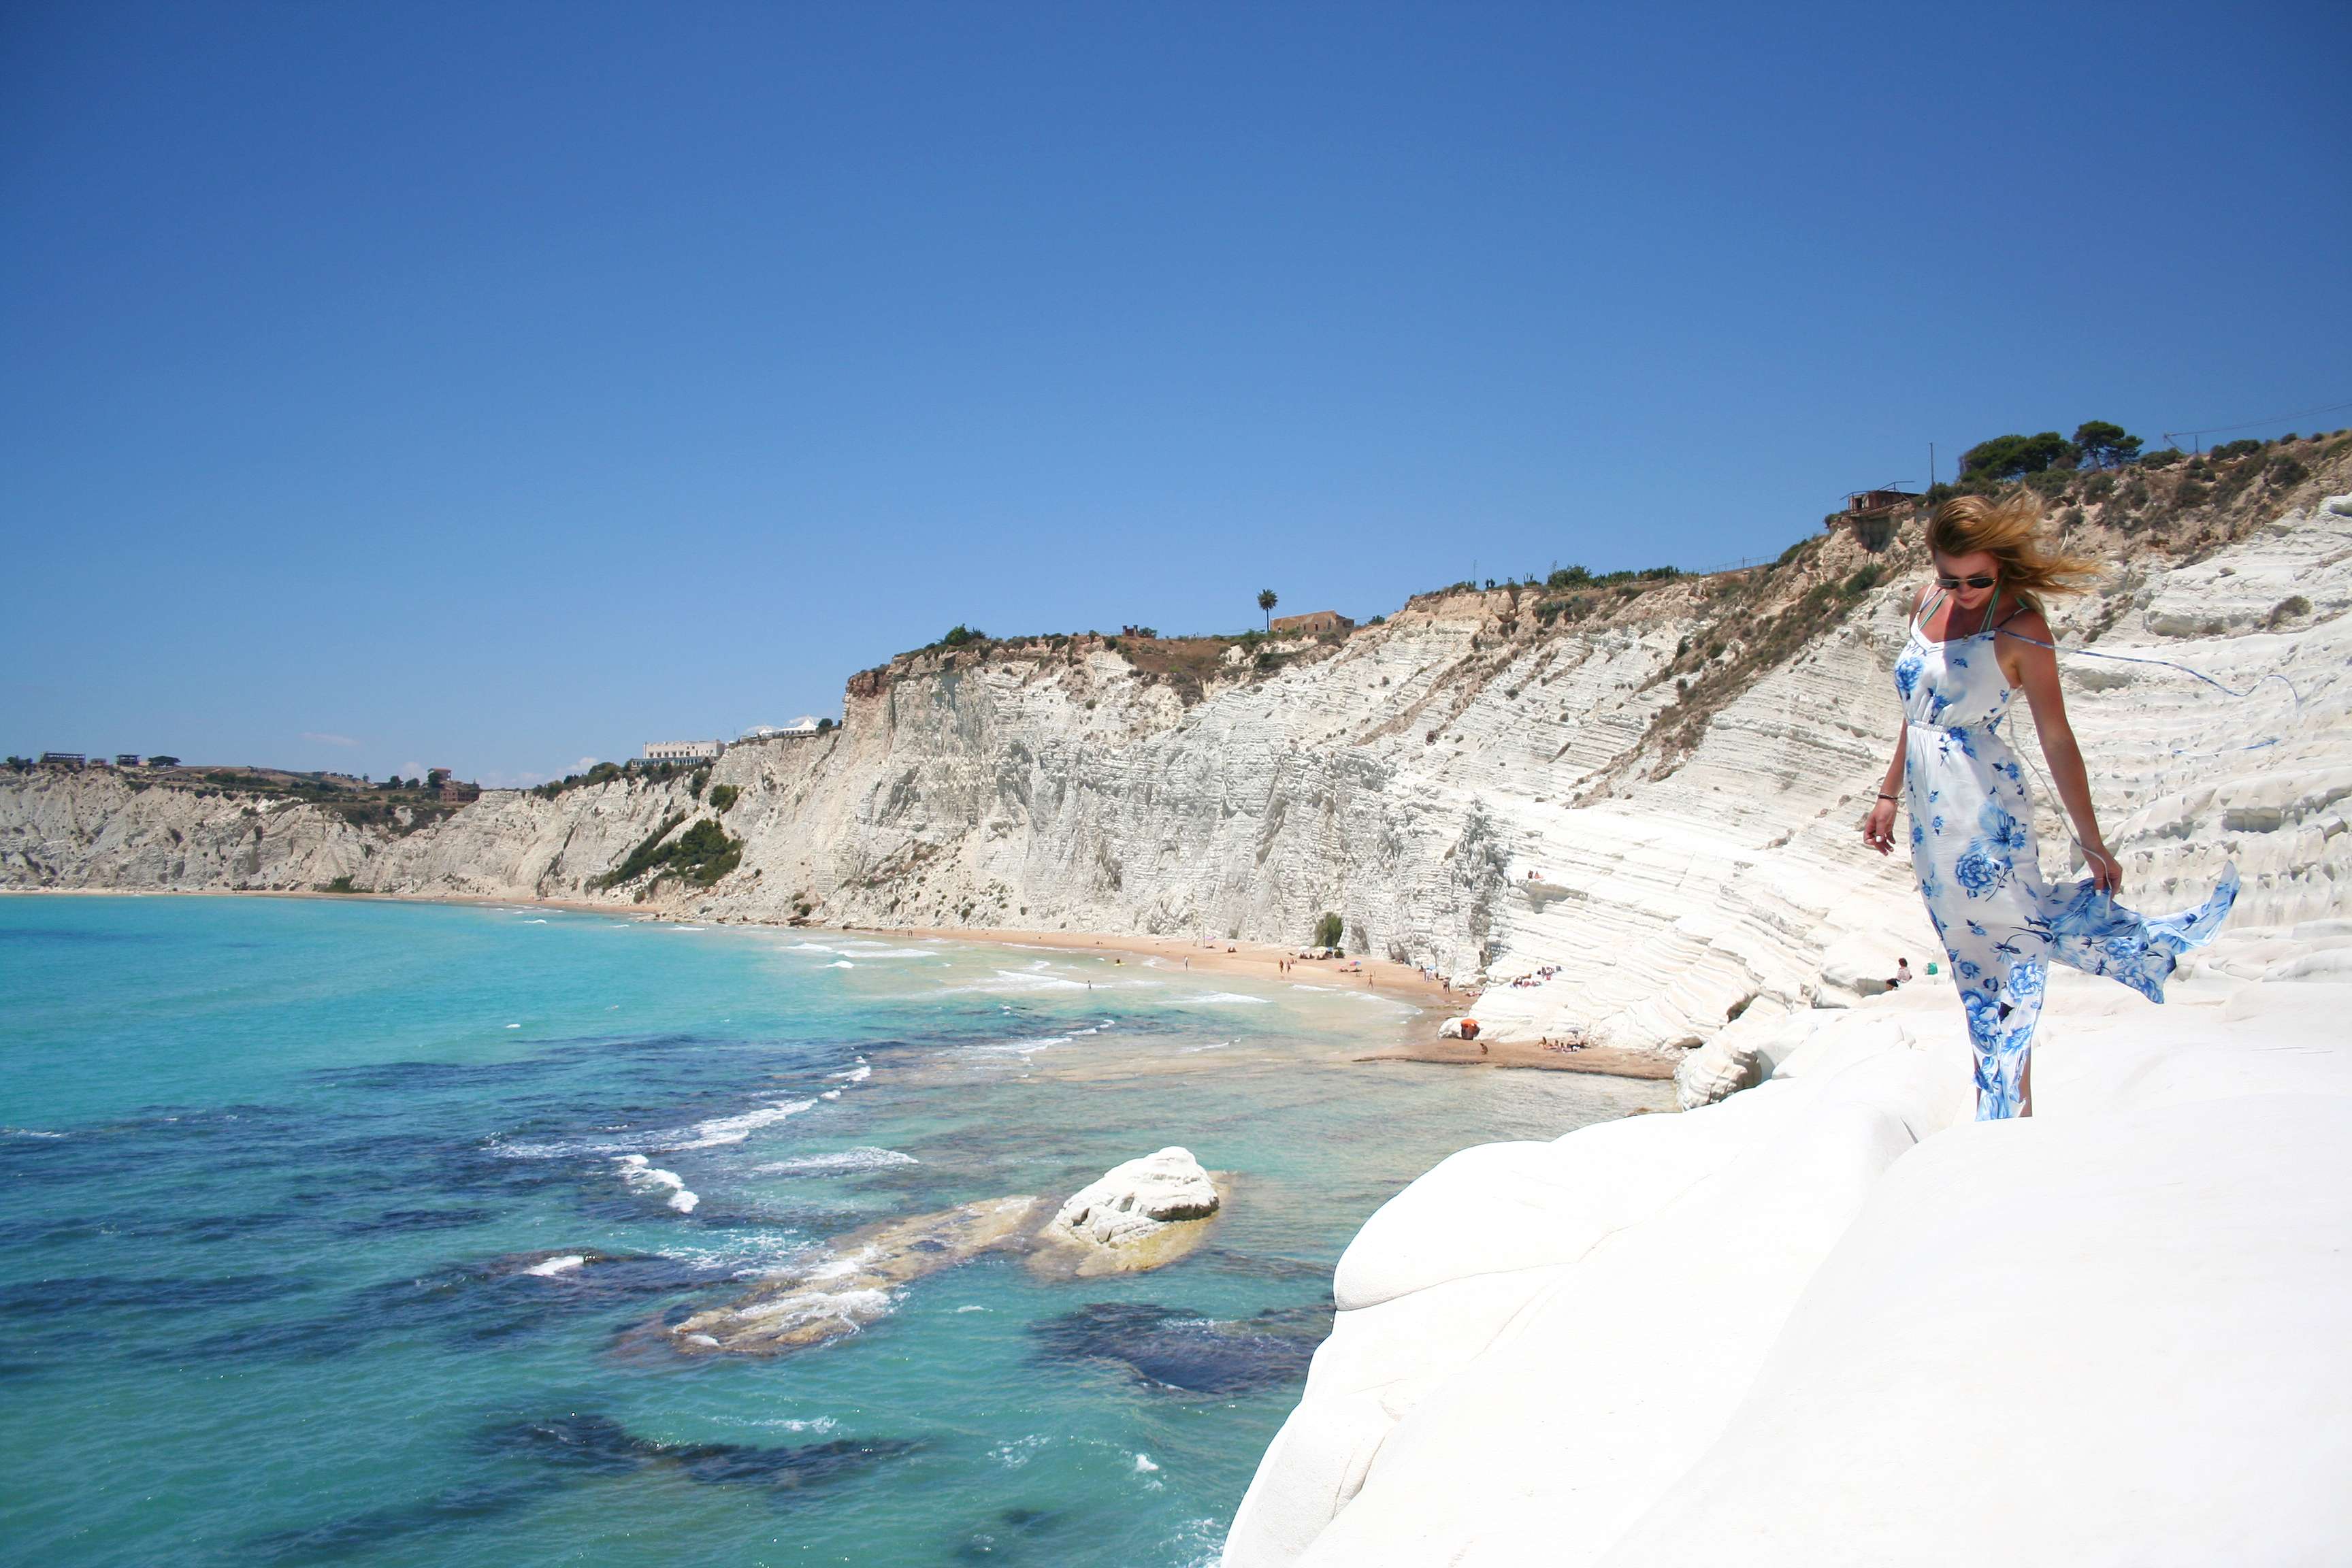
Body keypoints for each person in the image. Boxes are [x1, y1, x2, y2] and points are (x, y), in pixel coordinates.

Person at [1860, 492, 2237, 1120]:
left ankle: (2009, 1108)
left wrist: (2092, 840)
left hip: (1982, 805)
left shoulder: (2022, 628)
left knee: (2002, 948)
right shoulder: (1927, 604)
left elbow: (2056, 737)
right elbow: (1916, 713)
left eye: (1979, 578)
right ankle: (2132, 952)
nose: (1965, 590)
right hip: (1932, 815)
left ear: (2002, 565)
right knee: (1968, 947)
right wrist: (1887, 793)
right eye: (1951, 577)